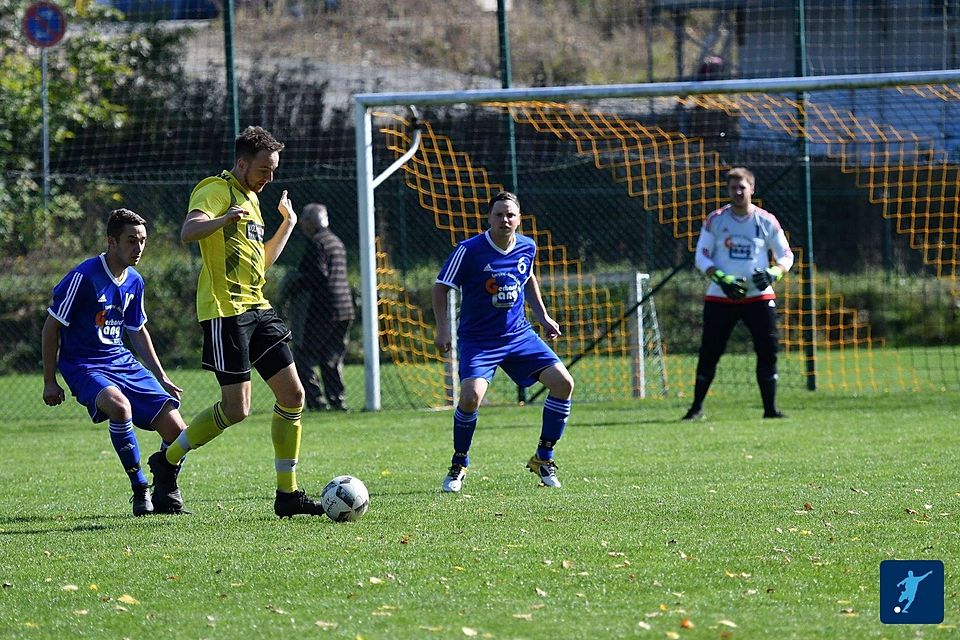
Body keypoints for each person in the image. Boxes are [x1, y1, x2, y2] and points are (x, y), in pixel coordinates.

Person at [151, 125, 325, 518]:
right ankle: (168, 459)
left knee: (294, 396)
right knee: (237, 410)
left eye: (274, 170)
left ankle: (288, 495)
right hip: (225, 312)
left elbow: (260, 261)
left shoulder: (252, 198)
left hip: (258, 307)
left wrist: (288, 225)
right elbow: (188, 231)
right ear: (242, 163)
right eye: (265, 169)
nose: (270, 177)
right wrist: (224, 218)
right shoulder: (215, 189)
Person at [42, 208, 189, 516]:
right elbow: (51, 327)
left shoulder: (135, 281)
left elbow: (137, 331)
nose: (138, 248)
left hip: (122, 362)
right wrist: (49, 380)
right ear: (111, 241)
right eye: (131, 241)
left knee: (179, 433)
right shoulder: (83, 277)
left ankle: (164, 488)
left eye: (143, 241)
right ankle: (140, 490)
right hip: (84, 365)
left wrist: (161, 376)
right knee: (119, 407)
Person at [432, 191, 575, 493]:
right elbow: (441, 287)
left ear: (519, 219)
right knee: (470, 398)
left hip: (519, 335)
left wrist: (543, 317)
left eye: (510, 214)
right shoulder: (469, 250)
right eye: (499, 214)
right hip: (479, 340)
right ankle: (459, 463)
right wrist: (442, 330)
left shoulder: (527, 247)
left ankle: (543, 458)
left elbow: (529, 277)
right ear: (489, 218)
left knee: (564, 383)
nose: (505, 220)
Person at [682, 167, 795, 421]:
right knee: (710, 351)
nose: (738, 192)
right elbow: (701, 254)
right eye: (733, 187)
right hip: (721, 297)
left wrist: (774, 273)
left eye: (742, 187)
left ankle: (770, 409)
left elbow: (786, 255)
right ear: (728, 190)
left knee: (768, 350)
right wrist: (722, 278)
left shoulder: (766, 220)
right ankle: (696, 408)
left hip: (759, 297)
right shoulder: (716, 219)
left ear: (752, 189)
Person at [279, 203, 354, 412]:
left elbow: (319, 275)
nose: (302, 223)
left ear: (312, 222)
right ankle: (337, 400)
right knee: (332, 358)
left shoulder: (316, 243)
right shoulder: (336, 242)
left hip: (323, 309)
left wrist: (295, 281)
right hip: (345, 309)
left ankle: (316, 401)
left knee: (303, 355)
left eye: (304, 219)